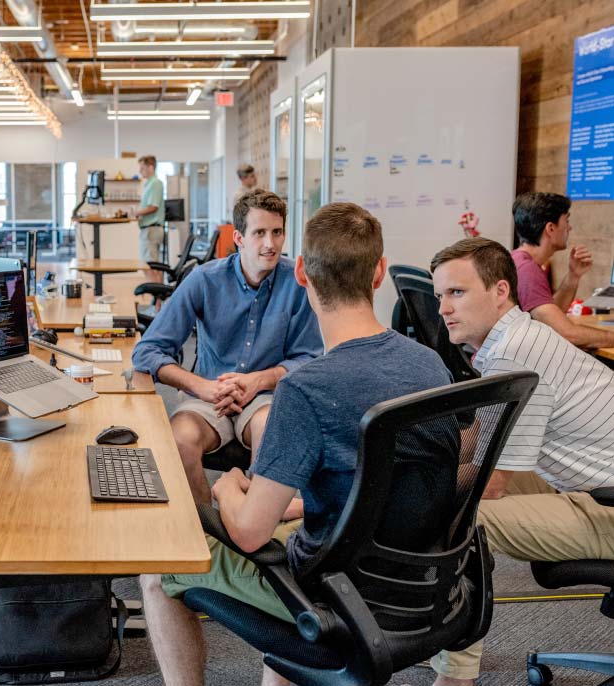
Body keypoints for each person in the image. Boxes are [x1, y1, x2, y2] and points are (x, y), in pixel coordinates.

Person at [139, 202, 455, 686]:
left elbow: (249, 534)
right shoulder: (431, 365)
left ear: (303, 272)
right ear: (380, 272)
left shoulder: (305, 391)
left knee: (155, 572)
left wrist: (228, 488)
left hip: (331, 593)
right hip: (419, 584)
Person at [429, 237, 614, 686]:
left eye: (457, 293)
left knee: (463, 517)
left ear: (500, 291)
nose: (443, 309)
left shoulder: (515, 352)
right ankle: (438, 643)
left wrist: (411, 490)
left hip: (605, 506)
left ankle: (455, 675)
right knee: (443, 489)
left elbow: (491, 482)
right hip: (588, 484)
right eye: (439, 296)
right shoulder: (514, 339)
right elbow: (480, 439)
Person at [132, 189, 322, 505]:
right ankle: (207, 526)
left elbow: (310, 358)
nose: (270, 244)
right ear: (239, 238)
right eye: (259, 233)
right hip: (208, 396)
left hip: (265, 397)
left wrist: (259, 380)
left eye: (277, 232)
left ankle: (252, 522)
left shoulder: (298, 283)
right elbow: (147, 351)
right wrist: (200, 386)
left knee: (271, 433)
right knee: (179, 439)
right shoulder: (205, 280)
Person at [511, 191, 614, 348]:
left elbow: (551, 318)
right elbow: (567, 333)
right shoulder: (527, 270)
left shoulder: (520, 261)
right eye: (566, 220)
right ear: (551, 228)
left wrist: (573, 276)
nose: (569, 227)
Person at [133, 155, 166, 279]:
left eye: (142, 168)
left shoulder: (155, 184)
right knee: (151, 266)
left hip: (152, 230)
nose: (140, 171)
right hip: (149, 229)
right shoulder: (149, 184)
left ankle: (155, 291)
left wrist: (137, 213)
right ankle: (157, 290)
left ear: (151, 167)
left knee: (149, 266)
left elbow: (153, 207)